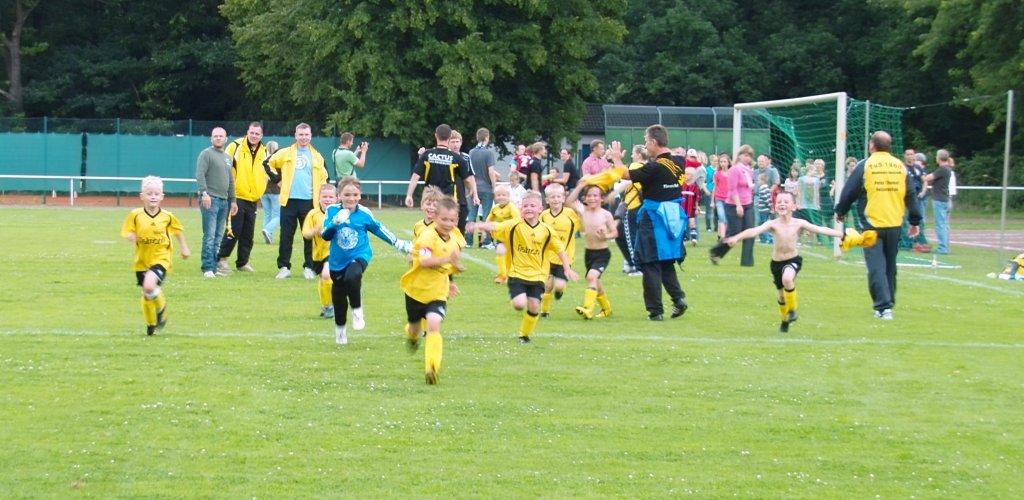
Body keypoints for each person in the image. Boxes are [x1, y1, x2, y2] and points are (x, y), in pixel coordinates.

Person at [721, 191, 867, 332]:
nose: (782, 204)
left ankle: (792, 310)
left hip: (793, 259)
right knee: (781, 295)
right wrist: (736, 237)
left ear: (794, 206)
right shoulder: (773, 224)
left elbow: (820, 229)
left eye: (786, 201)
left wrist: (841, 234)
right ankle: (784, 320)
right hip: (776, 263)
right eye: (779, 202)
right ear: (775, 206)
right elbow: (753, 231)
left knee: (787, 279)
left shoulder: (799, 223)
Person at [602, 126, 688, 321]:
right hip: (673, 217)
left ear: (653, 142)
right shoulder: (679, 161)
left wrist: (616, 158)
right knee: (666, 260)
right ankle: (678, 298)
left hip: (654, 218)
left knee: (649, 262)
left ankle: (655, 311)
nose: (645, 145)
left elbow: (625, 175)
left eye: (646, 140)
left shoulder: (654, 168)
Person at [835, 131, 922, 320]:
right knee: (890, 265)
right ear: (889, 146)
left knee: (875, 266)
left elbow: (850, 191)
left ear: (872, 146)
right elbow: (910, 194)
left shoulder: (865, 165)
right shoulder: (900, 166)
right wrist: (914, 220)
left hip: (871, 225)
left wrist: (840, 211)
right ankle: (888, 303)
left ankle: (883, 308)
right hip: (894, 224)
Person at [473, 190, 578, 343]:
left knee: (534, 306)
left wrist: (567, 268)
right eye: (525, 206)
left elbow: (560, 249)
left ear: (540, 209)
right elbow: (496, 226)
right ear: (521, 209)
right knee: (519, 304)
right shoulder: (514, 225)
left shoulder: (547, 230)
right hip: (517, 273)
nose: (529, 208)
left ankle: (524, 335)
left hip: (538, 275)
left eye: (532, 206)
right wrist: (478, 225)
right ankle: (517, 299)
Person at [321, 177, 411, 344]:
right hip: (337, 261)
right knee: (339, 297)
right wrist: (335, 222)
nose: (351, 198)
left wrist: (397, 243)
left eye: (355, 195)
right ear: (339, 195)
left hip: (360, 254)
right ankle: (340, 331)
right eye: (347, 195)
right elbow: (325, 236)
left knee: (353, 275)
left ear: (360, 195)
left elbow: (378, 229)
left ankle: (357, 310)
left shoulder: (364, 213)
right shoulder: (332, 210)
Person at [401, 197, 465, 384]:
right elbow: (425, 261)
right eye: (444, 219)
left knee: (434, 324)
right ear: (435, 217)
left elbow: (451, 265)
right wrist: (448, 260)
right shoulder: (427, 236)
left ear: (457, 220)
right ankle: (412, 336)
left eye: (452, 220)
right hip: (416, 290)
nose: (448, 224)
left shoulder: (455, 240)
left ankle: (432, 368)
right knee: (414, 329)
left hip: (438, 292)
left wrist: (453, 275)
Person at [121, 176, 191, 336]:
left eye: (156, 194)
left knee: (149, 286)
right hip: (142, 260)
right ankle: (151, 324)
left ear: (162, 197)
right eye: (149, 193)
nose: (153, 196)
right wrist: (130, 236)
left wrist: (184, 248)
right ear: (142, 196)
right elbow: (127, 231)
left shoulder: (167, 216)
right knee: (147, 294)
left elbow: (178, 231)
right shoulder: (135, 215)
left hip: (161, 258)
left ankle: (161, 308)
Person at [263, 122, 329, 280]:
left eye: (306, 135)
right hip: (289, 201)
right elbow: (266, 163)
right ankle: (284, 267)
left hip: (310, 202)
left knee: (309, 236)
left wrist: (323, 200)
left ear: (311, 136)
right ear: (295, 135)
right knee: (286, 236)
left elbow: (324, 179)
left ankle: (309, 267)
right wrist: (278, 180)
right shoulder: (285, 152)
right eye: (301, 134)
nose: (303, 137)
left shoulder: (317, 157)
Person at [404, 124, 478, 238]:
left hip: (431, 200)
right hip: (449, 200)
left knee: (431, 227)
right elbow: (468, 179)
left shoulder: (427, 155)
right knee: (448, 230)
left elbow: (415, 176)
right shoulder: (456, 158)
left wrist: (409, 195)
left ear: (436, 136)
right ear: (449, 137)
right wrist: (473, 192)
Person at [217, 122, 270, 274]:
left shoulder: (265, 151)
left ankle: (243, 262)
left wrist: (260, 189)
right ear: (248, 132)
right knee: (234, 229)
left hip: (253, 198)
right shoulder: (235, 146)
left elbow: (267, 172)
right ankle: (221, 259)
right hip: (236, 196)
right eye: (252, 132)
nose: (254, 136)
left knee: (248, 233)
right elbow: (224, 168)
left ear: (261, 135)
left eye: (257, 134)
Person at [567, 183, 618, 319]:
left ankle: (587, 309)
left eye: (595, 195)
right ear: (585, 198)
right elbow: (568, 202)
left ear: (601, 198)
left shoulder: (606, 214)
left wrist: (605, 236)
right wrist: (579, 186)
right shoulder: (582, 211)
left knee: (591, 277)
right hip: (589, 253)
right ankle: (606, 308)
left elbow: (614, 232)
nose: (592, 198)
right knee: (595, 281)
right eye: (589, 196)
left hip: (602, 253)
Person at [195, 126, 237, 278]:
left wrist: (233, 200)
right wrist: (204, 193)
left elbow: (230, 181)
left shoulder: (227, 158)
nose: (218, 138)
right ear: (211, 138)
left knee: (218, 236)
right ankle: (207, 267)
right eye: (215, 136)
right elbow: (200, 175)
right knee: (210, 235)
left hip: (224, 202)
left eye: (221, 136)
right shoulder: (206, 154)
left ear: (226, 139)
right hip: (210, 199)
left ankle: (213, 267)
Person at [539, 183, 581, 317]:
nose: (555, 199)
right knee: (547, 285)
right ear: (547, 200)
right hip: (547, 257)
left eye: (558, 196)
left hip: (565, 258)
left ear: (563, 198)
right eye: (552, 197)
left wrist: (581, 212)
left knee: (559, 286)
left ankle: (559, 291)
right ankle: (544, 311)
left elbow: (583, 226)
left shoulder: (570, 214)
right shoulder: (544, 215)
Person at [609, 144, 648, 275]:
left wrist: (617, 159)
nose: (631, 156)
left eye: (633, 153)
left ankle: (637, 267)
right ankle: (630, 263)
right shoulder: (647, 167)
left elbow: (623, 176)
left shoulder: (636, 166)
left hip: (632, 206)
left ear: (639, 155)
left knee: (631, 237)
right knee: (620, 234)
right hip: (640, 206)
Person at [302, 183, 339, 319]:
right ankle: (326, 305)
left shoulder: (340, 214)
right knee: (323, 280)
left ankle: (332, 306)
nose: (327, 200)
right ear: (318, 198)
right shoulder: (313, 214)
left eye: (330, 197)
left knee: (326, 275)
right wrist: (314, 231)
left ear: (336, 199)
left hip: (334, 252)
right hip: (318, 254)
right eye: (324, 197)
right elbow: (305, 234)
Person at [725, 145, 756, 266]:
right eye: (745, 155)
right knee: (735, 233)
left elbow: (749, 188)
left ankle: (747, 262)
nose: (748, 158)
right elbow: (732, 189)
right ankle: (717, 252)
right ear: (739, 156)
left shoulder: (749, 170)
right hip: (734, 204)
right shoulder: (734, 169)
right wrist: (738, 205)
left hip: (748, 204)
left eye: (750, 156)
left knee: (750, 232)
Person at [469, 128, 500, 248]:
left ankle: (468, 241)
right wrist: (494, 186)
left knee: (472, 215)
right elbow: (491, 171)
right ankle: (486, 242)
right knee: (487, 216)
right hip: (486, 188)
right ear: (486, 138)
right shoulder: (488, 153)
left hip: (474, 188)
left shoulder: (471, 152)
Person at [486, 183, 520, 284]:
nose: (501, 197)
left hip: (513, 236)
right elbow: (488, 220)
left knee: (511, 256)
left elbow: (517, 219)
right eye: (498, 195)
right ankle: (502, 275)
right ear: (495, 197)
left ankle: (511, 274)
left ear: (508, 196)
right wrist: (486, 229)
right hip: (501, 236)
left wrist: (502, 225)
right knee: (500, 252)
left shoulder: (511, 207)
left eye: (504, 195)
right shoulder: (495, 208)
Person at [923, 149, 954, 254]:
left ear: (939, 158)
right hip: (945, 199)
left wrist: (922, 175)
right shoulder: (947, 169)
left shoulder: (942, 169)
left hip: (940, 200)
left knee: (940, 225)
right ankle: (945, 246)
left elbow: (928, 178)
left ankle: (942, 248)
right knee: (944, 225)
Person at [260, 141, 281, 244]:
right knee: (278, 215)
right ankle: (268, 230)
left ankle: (268, 236)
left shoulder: (262, 159)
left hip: (262, 190)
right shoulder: (277, 160)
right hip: (275, 191)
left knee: (267, 214)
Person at [680, 167, 701, 245]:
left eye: (687, 174)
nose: (685, 176)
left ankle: (694, 239)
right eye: (685, 174)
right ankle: (683, 239)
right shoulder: (681, 185)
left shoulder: (695, 187)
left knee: (692, 223)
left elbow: (697, 199)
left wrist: (697, 208)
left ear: (692, 176)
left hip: (691, 208)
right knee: (683, 224)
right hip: (682, 208)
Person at [713, 153, 731, 240]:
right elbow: (715, 187)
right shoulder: (717, 174)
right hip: (719, 198)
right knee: (721, 217)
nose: (723, 163)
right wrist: (712, 201)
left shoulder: (732, 173)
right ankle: (723, 237)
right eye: (721, 162)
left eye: (724, 161)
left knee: (726, 219)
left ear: (728, 163)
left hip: (729, 199)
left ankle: (722, 235)